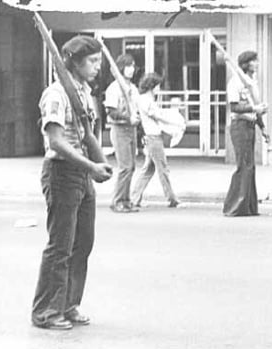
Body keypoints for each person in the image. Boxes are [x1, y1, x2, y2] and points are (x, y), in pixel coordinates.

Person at [32, 36, 113, 330]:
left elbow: (87, 133)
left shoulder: (83, 92)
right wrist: (91, 166)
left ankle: (68, 304)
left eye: (98, 61)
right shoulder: (56, 94)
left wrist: (100, 162)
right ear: (74, 62)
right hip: (61, 172)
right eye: (92, 61)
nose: (96, 67)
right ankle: (46, 311)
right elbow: (57, 141)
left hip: (82, 174)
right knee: (60, 247)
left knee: (82, 244)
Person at [223, 50, 268, 217]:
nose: (256, 64)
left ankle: (248, 206)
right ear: (245, 64)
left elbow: (256, 106)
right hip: (239, 125)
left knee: (250, 167)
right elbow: (234, 107)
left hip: (250, 124)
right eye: (253, 61)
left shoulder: (252, 83)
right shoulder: (235, 82)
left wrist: (262, 127)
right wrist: (254, 109)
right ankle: (234, 206)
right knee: (244, 165)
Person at [131, 73, 180, 208]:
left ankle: (134, 198)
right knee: (162, 169)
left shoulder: (144, 100)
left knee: (148, 170)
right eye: (158, 86)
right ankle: (172, 198)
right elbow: (157, 116)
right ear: (152, 86)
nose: (159, 88)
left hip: (151, 137)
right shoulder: (146, 100)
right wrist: (175, 122)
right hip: (153, 138)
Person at [104, 53, 140, 213]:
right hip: (119, 129)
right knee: (125, 167)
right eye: (128, 66)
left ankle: (126, 200)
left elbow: (137, 108)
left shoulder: (132, 88)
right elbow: (111, 111)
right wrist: (128, 117)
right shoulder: (114, 88)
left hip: (131, 129)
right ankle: (117, 200)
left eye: (133, 66)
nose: (131, 69)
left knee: (131, 167)